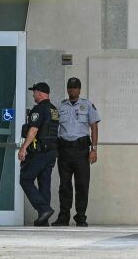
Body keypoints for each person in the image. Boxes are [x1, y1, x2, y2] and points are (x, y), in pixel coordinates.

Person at [53, 77, 101, 227]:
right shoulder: (60, 107)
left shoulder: (87, 106)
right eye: (70, 88)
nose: (72, 90)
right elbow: (54, 127)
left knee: (82, 185)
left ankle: (80, 217)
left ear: (79, 90)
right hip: (64, 150)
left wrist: (94, 149)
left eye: (75, 88)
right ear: (67, 89)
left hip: (81, 150)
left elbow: (94, 127)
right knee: (64, 185)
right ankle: (63, 217)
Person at [18, 82, 60, 226]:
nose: (33, 95)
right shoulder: (54, 110)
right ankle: (43, 220)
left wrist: (24, 147)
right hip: (52, 151)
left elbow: (33, 130)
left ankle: (43, 209)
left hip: (40, 151)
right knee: (44, 183)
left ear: (40, 93)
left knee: (25, 179)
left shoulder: (39, 109)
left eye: (34, 92)